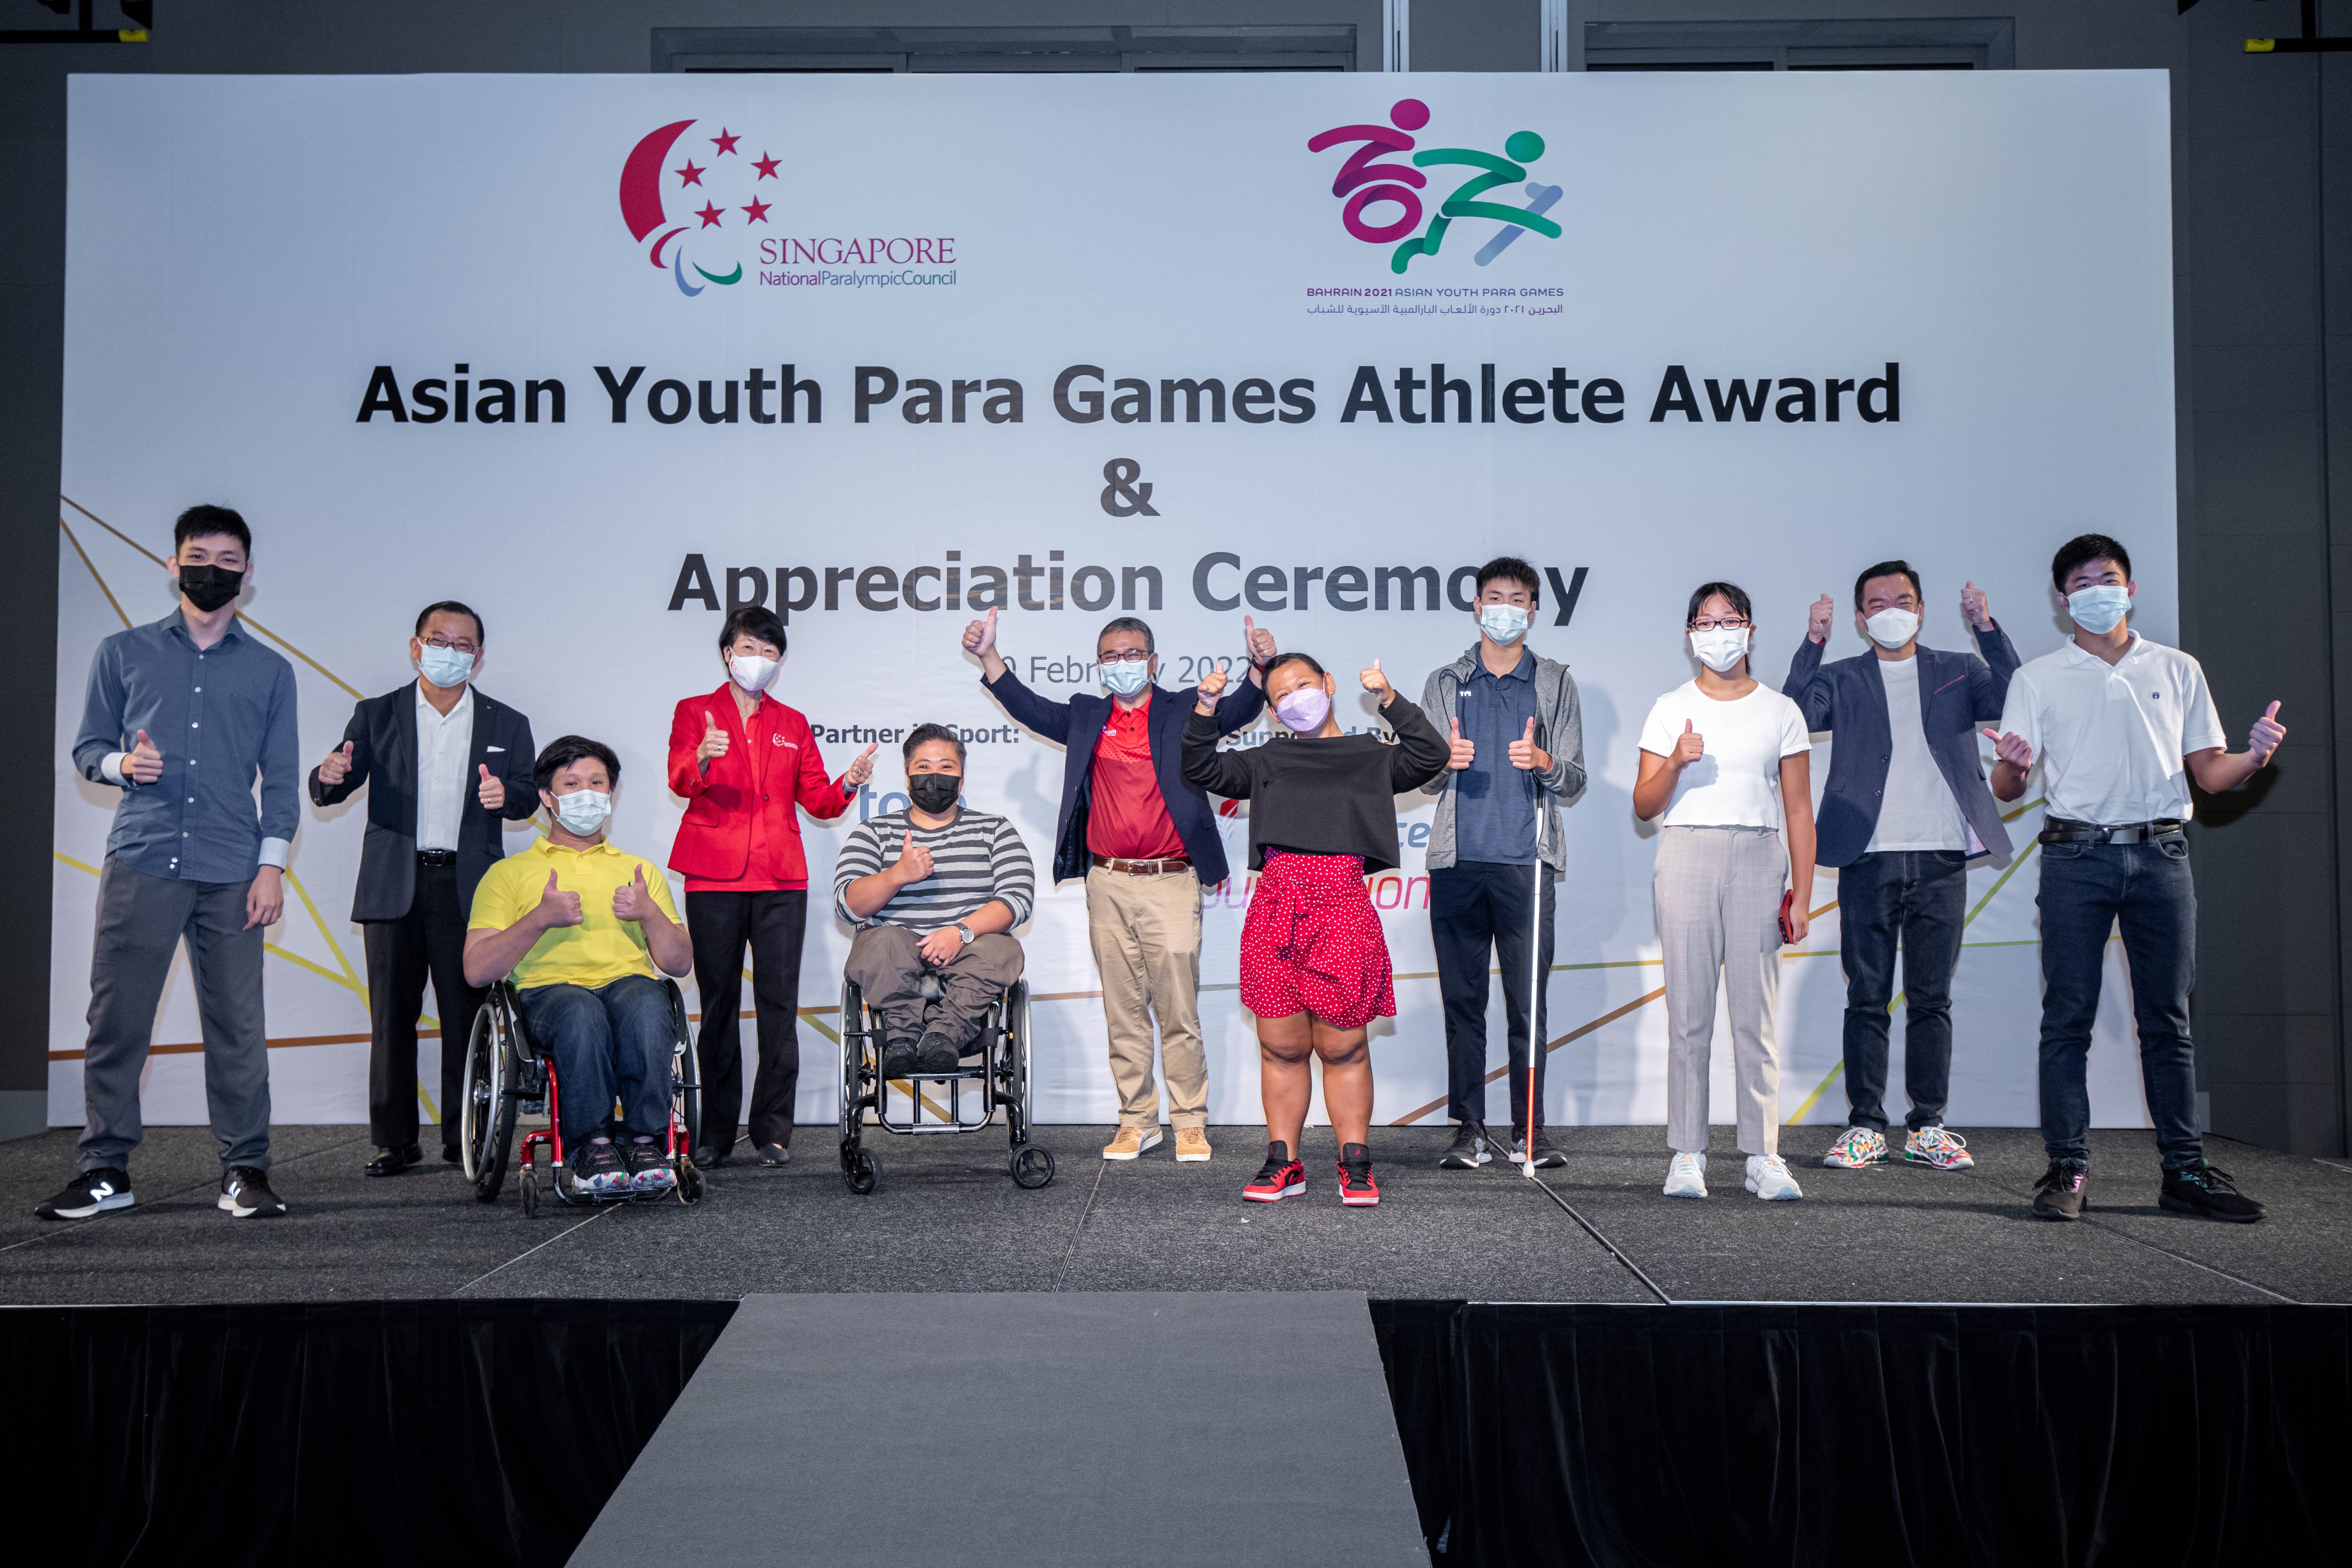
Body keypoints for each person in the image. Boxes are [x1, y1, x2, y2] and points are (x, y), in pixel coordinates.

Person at [1989, 533, 2280, 1224]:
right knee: (2067, 1019)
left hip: (2161, 856)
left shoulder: (2177, 668)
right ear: (2062, 600)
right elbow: (2006, 787)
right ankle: (2066, 1168)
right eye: (2082, 584)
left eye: (2108, 579)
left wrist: (2253, 758)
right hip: (2075, 859)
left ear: (2131, 588)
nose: (2098, 592)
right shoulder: (2037, 678)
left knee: (2167, 1021)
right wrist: (2013, 765)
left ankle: (2184, 1171)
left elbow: (2210, 774)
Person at [41, 504, 297, 1222]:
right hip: (143, 857)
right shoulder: (122, 652)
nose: (211, 571)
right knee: (117, 1019)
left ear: (248, 573)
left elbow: (281, 780)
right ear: (172, 564)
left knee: (238, 1027)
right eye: (198, 557)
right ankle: (104, 1169)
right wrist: (124, 764)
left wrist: (272, 866)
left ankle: (245, 1169)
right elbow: (88, 749)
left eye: (227, 560)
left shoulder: (272, 671)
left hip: (233, 867)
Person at [965, 605, 1273, 1164]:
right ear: (1099, 666)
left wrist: (1258, 669)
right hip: (1107, 882)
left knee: (1178, 1012)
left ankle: (1189, 1121)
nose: (1121, 663)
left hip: (1171, 880)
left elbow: (1237, 710)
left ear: (1153, 661)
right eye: (1110, 656)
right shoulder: (1087, 715)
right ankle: (1137, 1120)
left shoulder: (1184, 707)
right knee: (1123, 1011)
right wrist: (988, 655)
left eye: (1132, 654)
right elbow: (1029, 707)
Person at [1182, 652, 1450, 1208]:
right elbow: (1202, 770)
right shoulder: (1266, 759)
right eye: (1281, 695)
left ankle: (1356, 1163)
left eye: (1303, 684)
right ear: (1273, 711)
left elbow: (1431, 755)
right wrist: (1205, 709)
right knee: (1280, 1046)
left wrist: (1388, 698)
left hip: (1342, 909)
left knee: (1343, 1046)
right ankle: (1284, 1161)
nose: (1295, 698)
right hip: (1276, 908)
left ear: (1328, 684)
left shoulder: (1370, 755)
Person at [1784, 563, 2018, 1175]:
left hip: (1941, 855)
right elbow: (1793, 717)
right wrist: (1812, 643)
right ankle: (1865, 1125)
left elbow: (2014, 696)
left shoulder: (1959, 669)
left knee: (1931, 998)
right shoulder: (1841, 676)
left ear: (1921, 609)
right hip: (1866, 854)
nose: (1891, 611)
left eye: (1903, 600)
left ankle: (1927, 1126)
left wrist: (1985, 628)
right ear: (1860, 619)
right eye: (1877, 604)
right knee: (1866, 997)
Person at [309, 601, 539, 1177]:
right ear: (416, 647)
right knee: (391, 1017)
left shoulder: (507, 723)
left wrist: (506, 798)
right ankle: (394, 1140)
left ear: (478, 657)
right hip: (394, 883)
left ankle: (465, 1135)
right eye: (439, 641)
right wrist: (326, 776)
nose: (449, 653)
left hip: (469, 888)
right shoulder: (376, 714)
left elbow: (527, 796)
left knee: (466, 1017)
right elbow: (335, 782)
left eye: (463, 645)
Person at [668, 606, 876, 1169]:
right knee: (718, 1004)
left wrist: (849, 782)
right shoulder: (694, 712)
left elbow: (820, 801)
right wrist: (702, 757)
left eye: (769, 652)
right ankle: (715, 1132)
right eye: (749, 648)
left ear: (779, 661)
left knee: (779, 1004)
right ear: (727, 653)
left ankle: (772, 1130)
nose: (758, 660)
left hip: (781, 878)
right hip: (713, 874)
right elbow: (679, 780)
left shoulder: (793, 723)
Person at [1634, 582, 1816, 1203]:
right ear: (1690, 634)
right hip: (1686, 850)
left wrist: (1802, 893)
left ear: (1750, 630)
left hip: (1758, 857)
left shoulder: (1780, 710)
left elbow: (1798, 810)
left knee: (1754, 1018)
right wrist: (1674, 762)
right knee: (1688, 1015)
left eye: (1730, 620)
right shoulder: (1670, 707)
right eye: (1707, 623)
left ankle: (1762, 1154)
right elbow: (1644, 804)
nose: (1719, 633)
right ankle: (1687, 1152)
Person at [462, 736, 695, 1195]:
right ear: (547, 797)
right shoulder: (508, 874)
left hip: (628, 986)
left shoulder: (640, 871)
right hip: (549, 995)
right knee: (581, 1011)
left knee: (648, 1006)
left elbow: (680, 963)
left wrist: (649, 913)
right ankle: (591, 1146)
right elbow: (475, 969)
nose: (586, 793)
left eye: (597, 783)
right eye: (571, 784)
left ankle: (647, 1142)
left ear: (611, 794)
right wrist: (539, 918)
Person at [1416, 556, 1586, 1171]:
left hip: (1527, 867)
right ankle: (1469, 1130)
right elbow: (1420, 774)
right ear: (1476, 606)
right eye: (1494, 597)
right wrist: (1442, 762)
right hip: (1457, 863)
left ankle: (1528, 1131)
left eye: (1517, 600)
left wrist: (1544, 762)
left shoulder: (1554, 682)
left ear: (1534, 610)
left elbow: (1574, 779)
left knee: (1525, 1006)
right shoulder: (1445, 681)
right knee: (1462, 1005)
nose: (1505, 609)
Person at [833, 725, 1036, 1076]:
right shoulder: (873, 832)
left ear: (961, 778)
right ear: (908, 777)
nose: (934, 776)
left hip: (972, 944)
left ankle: (944, 1036)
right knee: (879, 943)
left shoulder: (995, 829)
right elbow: (847, 905)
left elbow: (1017, 899)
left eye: (946, 767)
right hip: (895, 947)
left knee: (1003, 950)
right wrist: (898, 874)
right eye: (924, 767)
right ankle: (901, 1038)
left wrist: (960, 932)